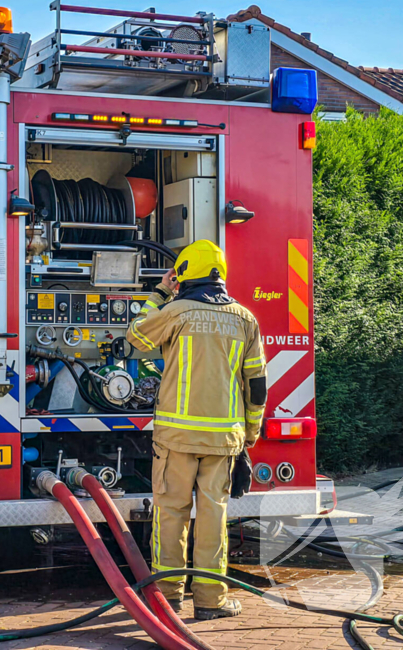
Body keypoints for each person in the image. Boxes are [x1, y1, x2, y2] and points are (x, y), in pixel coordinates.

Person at [125, 239, 267, 620]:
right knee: (213, 519)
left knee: (171, 515)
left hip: (176, 440)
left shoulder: (175, 311)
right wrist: (249, 435)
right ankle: (210, 602)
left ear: (185, 275)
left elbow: (135, 335)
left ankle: (168, 600)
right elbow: (256, 386)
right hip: (223, 441)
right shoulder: (245, 319)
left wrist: (159, 293)